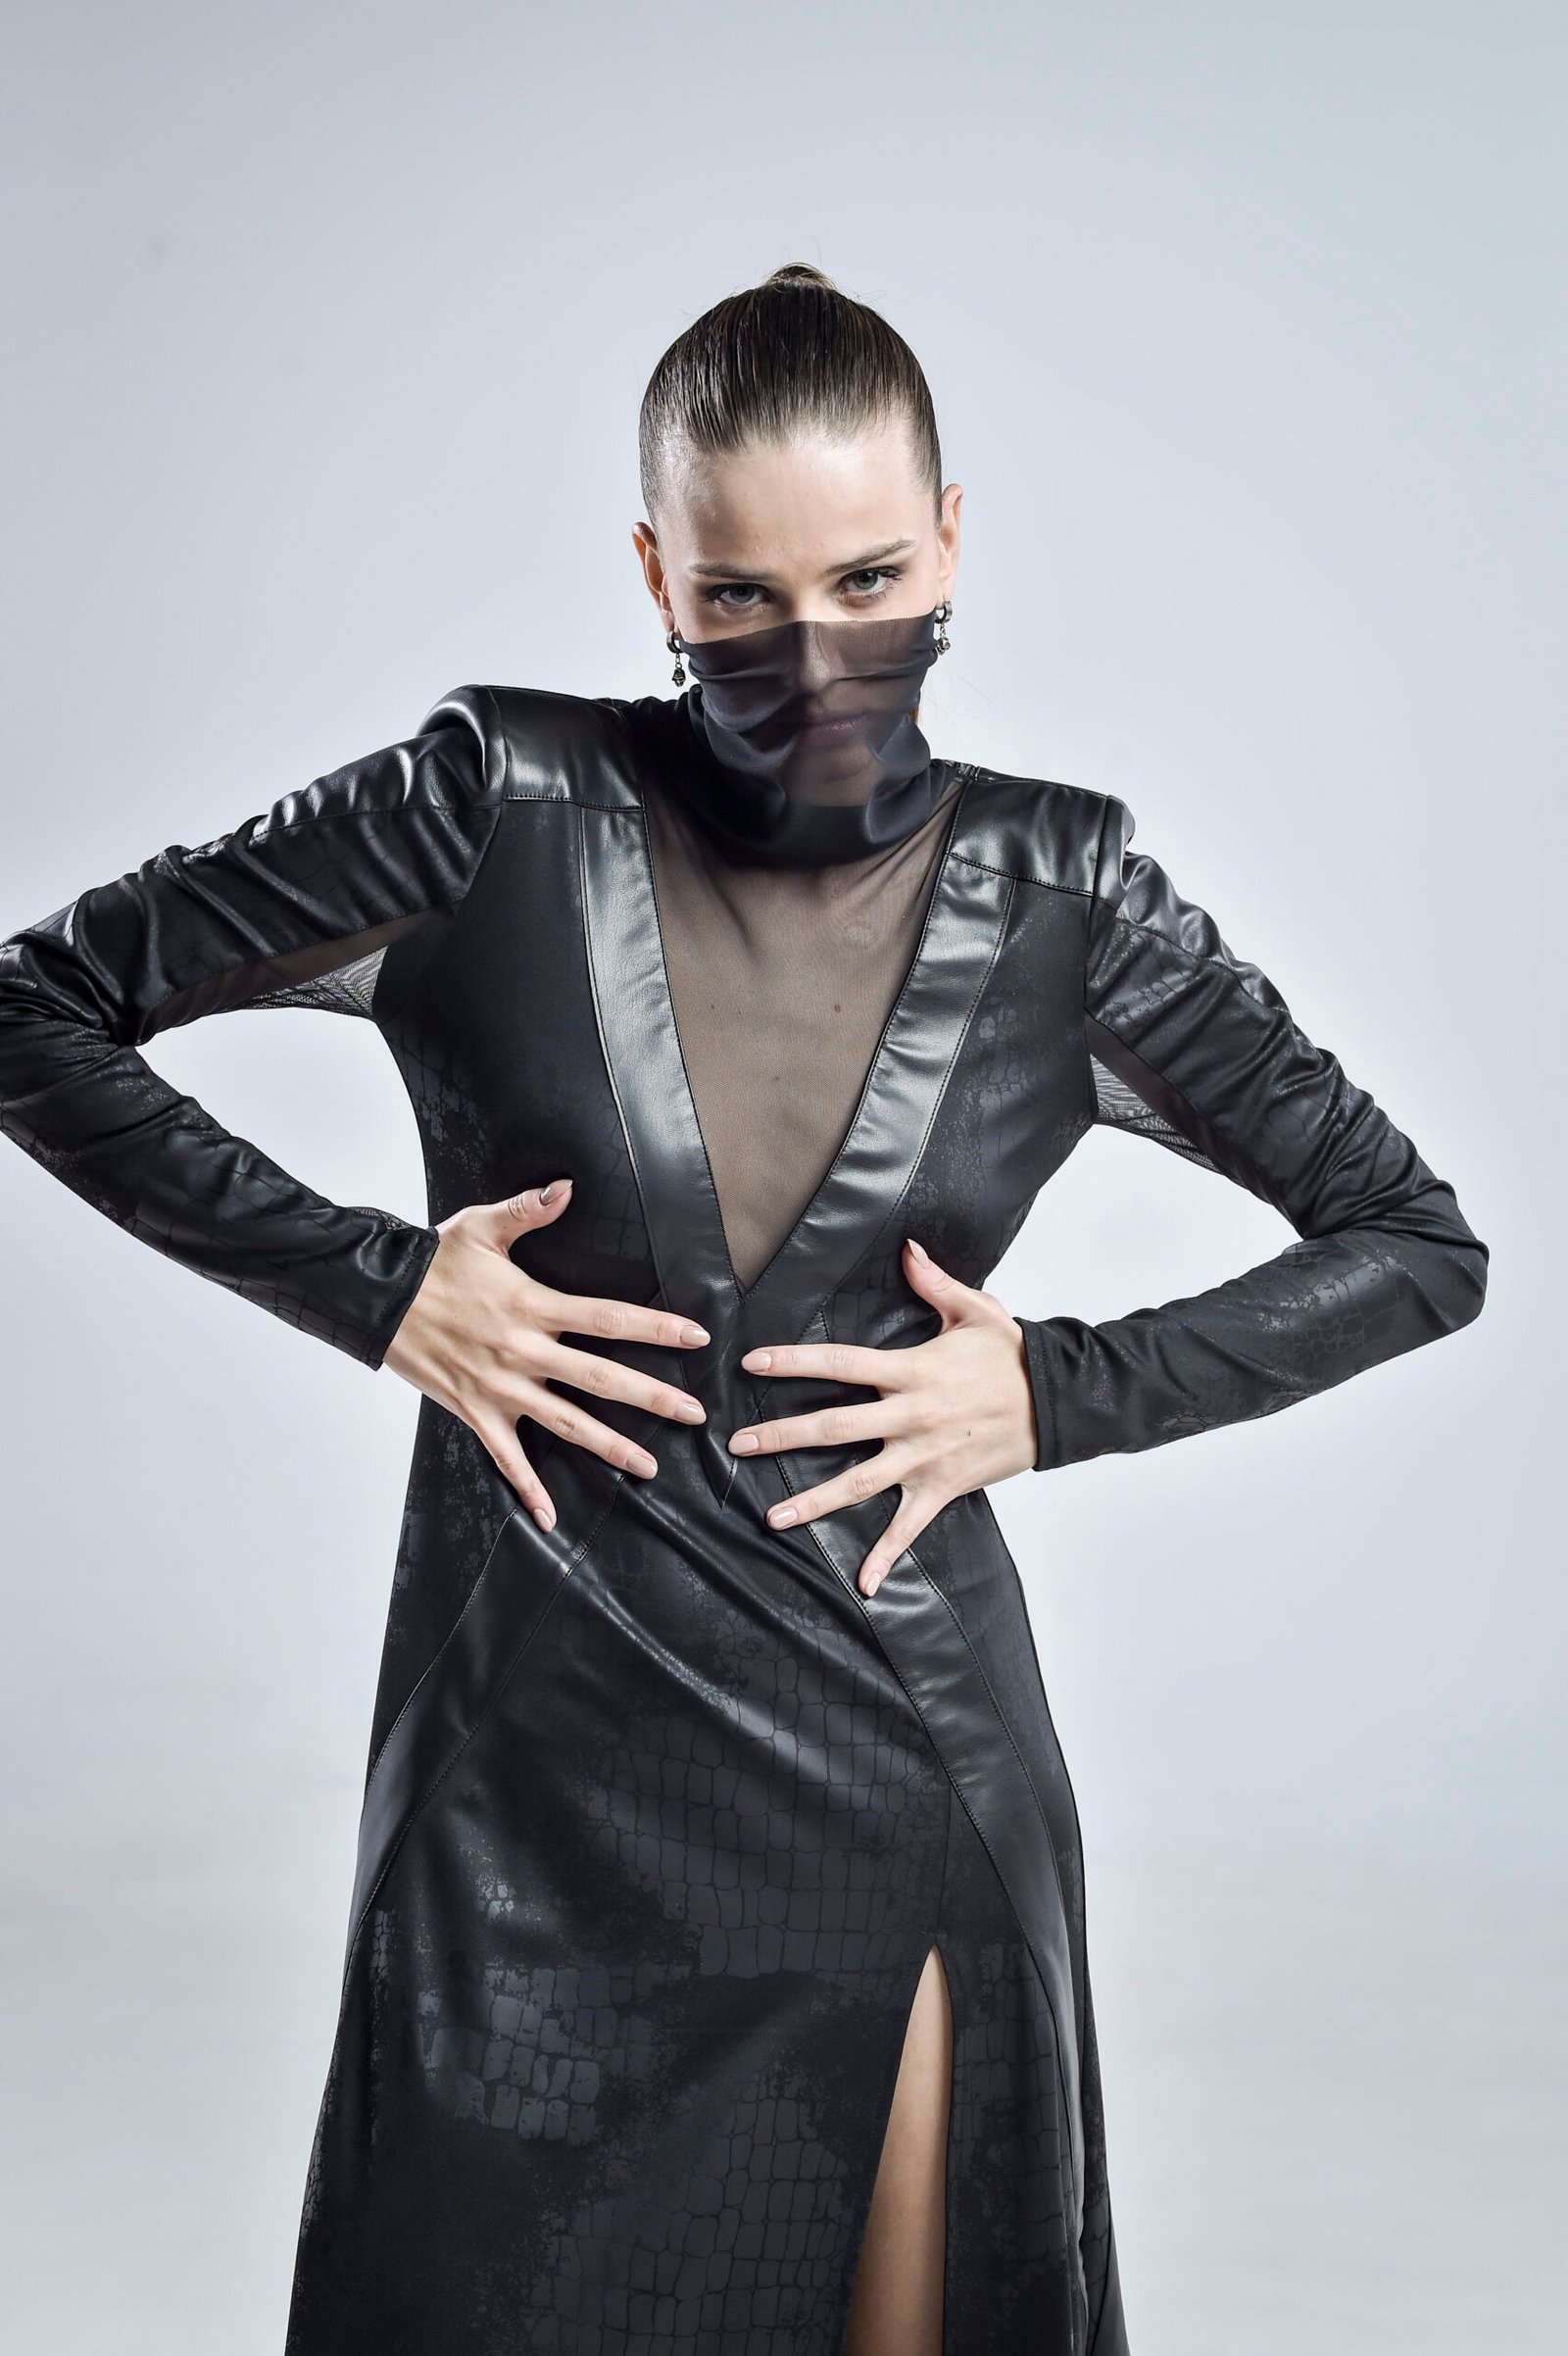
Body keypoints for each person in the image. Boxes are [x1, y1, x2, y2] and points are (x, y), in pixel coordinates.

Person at [0, 262, 1489, 2356]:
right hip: (522, 1799)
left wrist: (1054, 1394)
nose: (813, 654)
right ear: (654, 577)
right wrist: (377, 1289)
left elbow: (1412, 1240)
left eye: (869, 580)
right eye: (739, 599)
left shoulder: (1060, 899)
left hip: (894, 1765)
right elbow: (36, 1008)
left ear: (951, 541)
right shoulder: (489, 806)